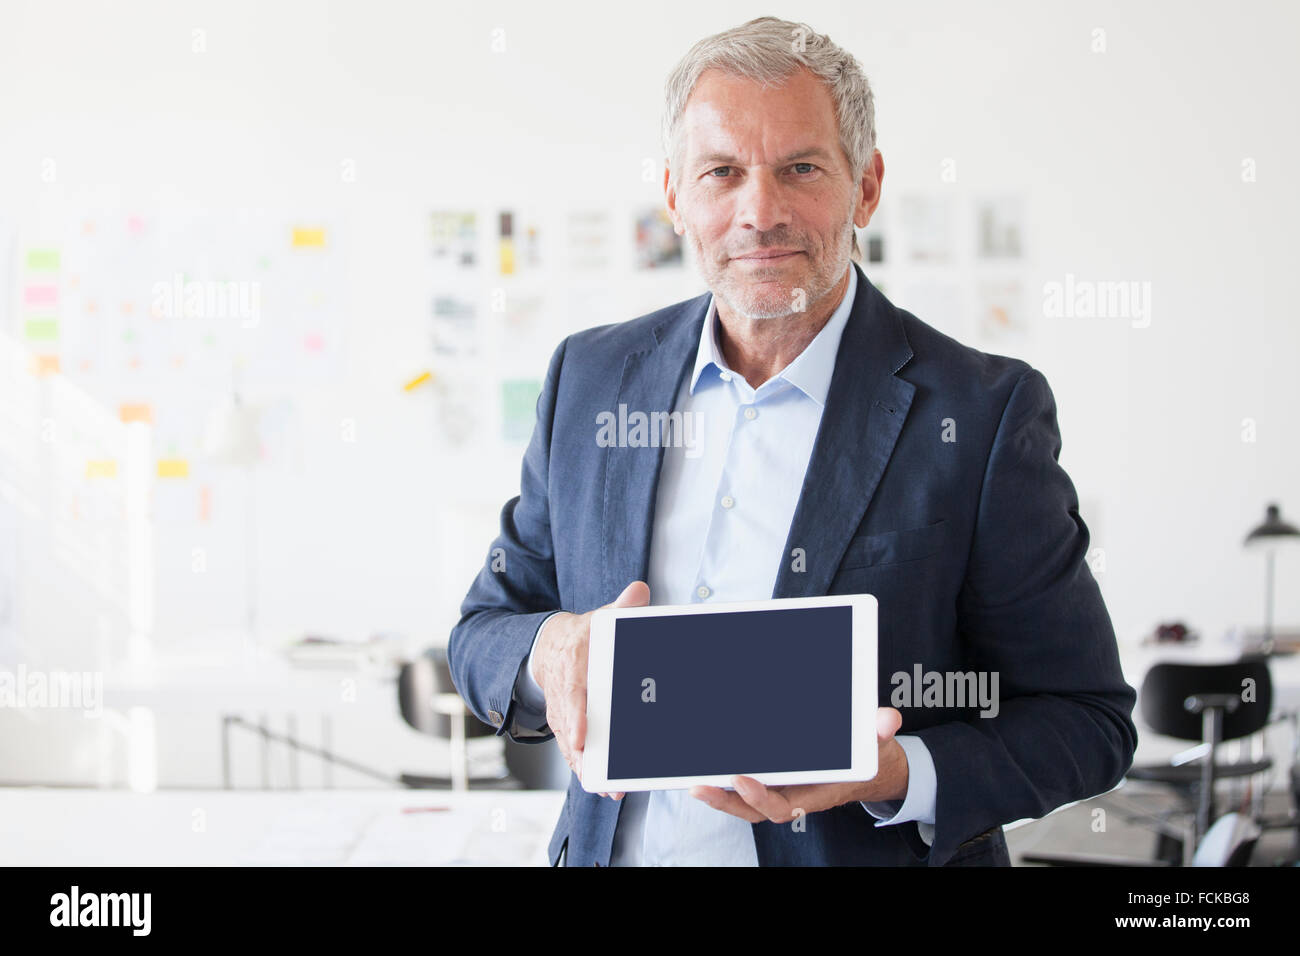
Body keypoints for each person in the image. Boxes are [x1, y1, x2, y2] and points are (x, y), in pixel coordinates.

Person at [448, 16, 1137, 866]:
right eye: (722, 172)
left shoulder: (986, 411)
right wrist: (547, 649)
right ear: (675, 195)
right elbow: (482, 631)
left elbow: (1087, 719)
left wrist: (895, 772)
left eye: (801, 169)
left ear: (866, 187)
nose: (759, 212)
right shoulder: (589, 379)